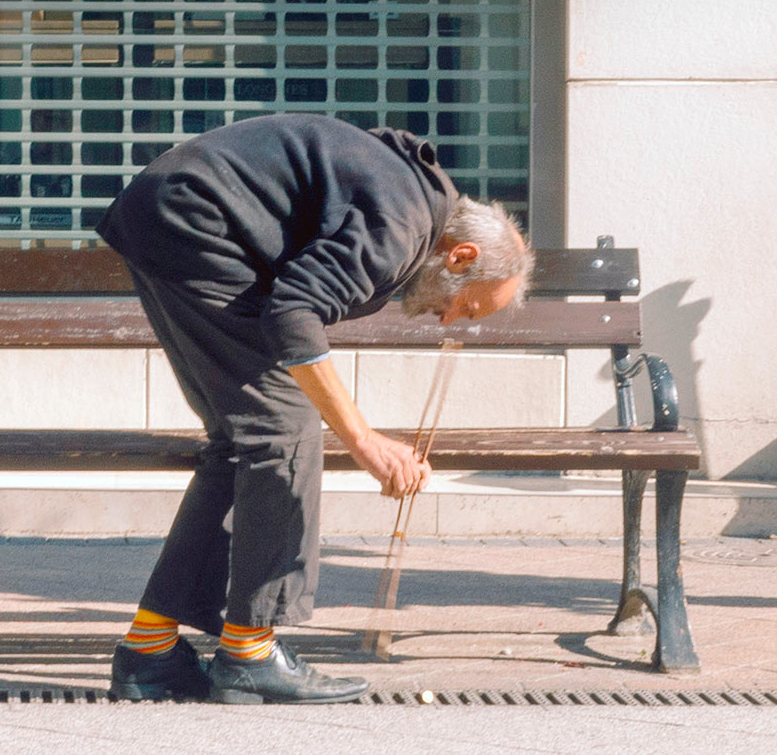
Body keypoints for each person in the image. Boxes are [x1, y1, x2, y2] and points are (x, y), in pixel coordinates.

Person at [92, 113, 535, 704]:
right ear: (460, 256)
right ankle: (249, 652)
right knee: (284, 433)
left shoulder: (409, 207)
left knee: (250, 439)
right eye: (468, 308)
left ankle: (150, 652)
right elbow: (293, 313)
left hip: (171, 213)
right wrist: (364, 440)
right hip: (191, 219)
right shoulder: (402, 227)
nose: (451, 320)